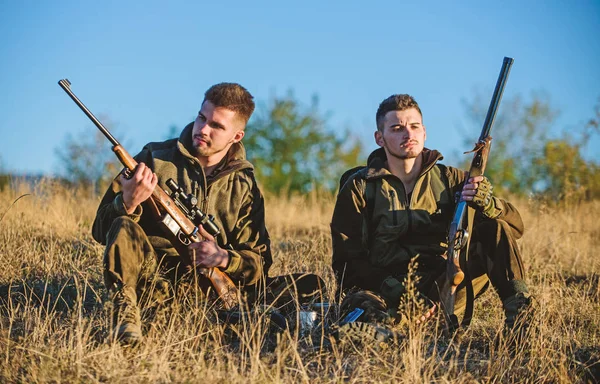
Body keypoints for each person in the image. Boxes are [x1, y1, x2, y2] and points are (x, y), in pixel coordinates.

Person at [93, 83, 323, 345]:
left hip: (209, 290)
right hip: (155, 280)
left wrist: (222, 258)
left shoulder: (244, 186)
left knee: (310, 284)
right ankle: (125, 321)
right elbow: (101, 231)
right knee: (123, 224)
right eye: (201, 117)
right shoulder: (154, 160)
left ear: (236, 137)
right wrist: (128, 202)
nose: (202, 129)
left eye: (216, 126)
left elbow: (259, 264)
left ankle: (252, 324)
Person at [331, 94, 531, 334]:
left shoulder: (452, 180)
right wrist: (400, 294)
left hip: (444, 284)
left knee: (494, 227)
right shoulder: (360, 186)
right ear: (379, 138)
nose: (408, 134)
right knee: (360, 318)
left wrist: (488, 204)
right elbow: (347, 262)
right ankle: (396, 330)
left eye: (414, 126)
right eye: (397, 128)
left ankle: (521, 323)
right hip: (382, 289)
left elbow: (515, 228)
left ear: (424, 132)